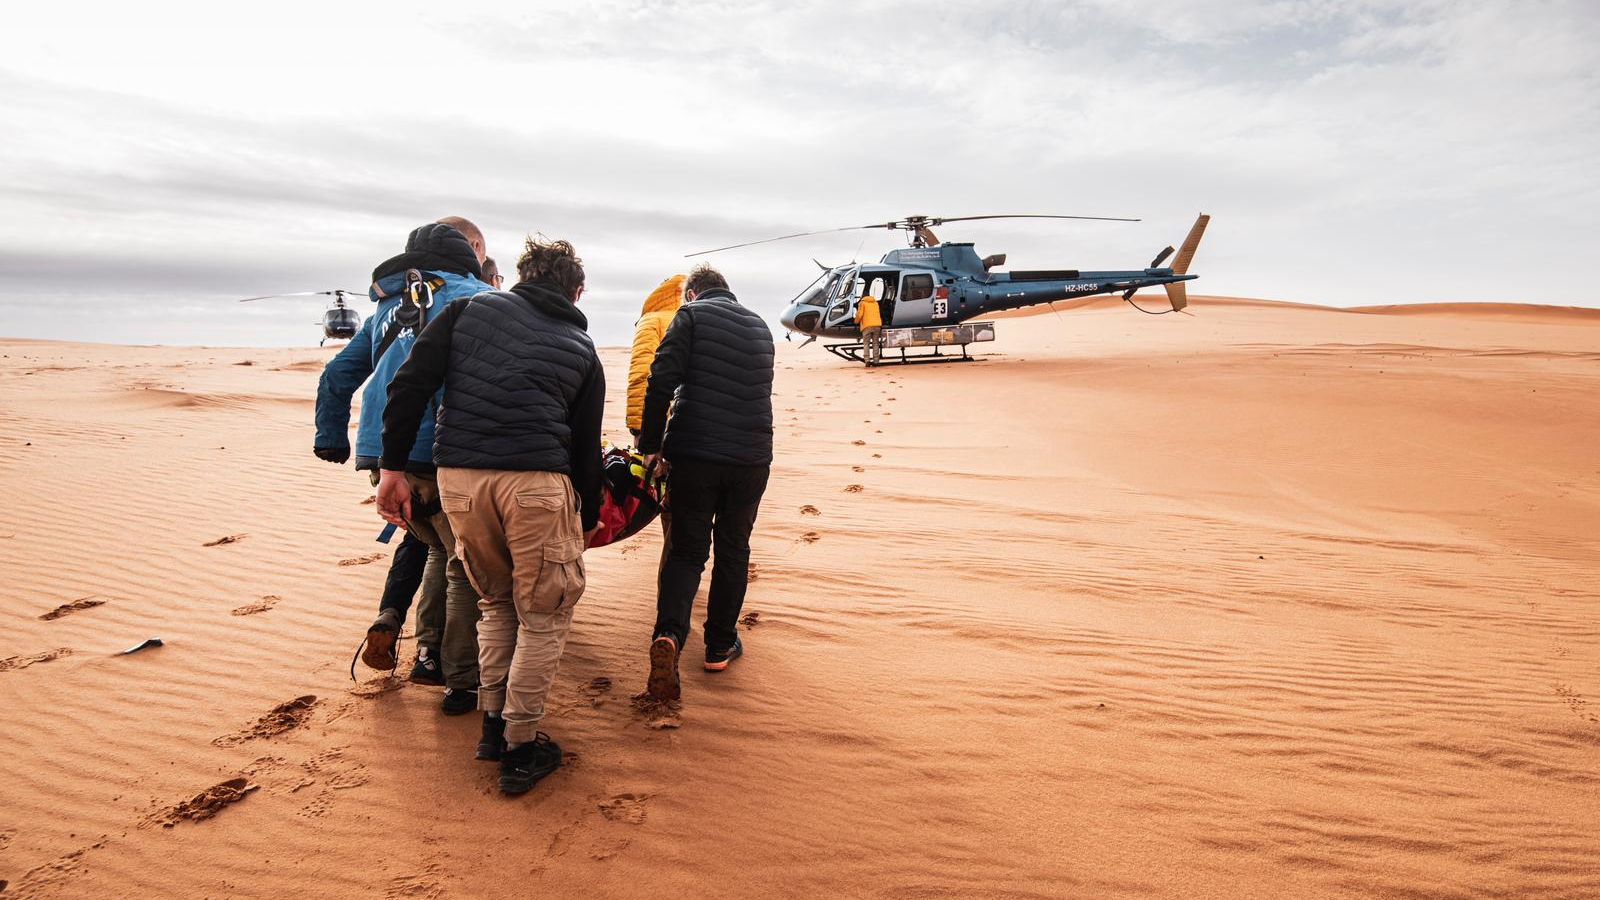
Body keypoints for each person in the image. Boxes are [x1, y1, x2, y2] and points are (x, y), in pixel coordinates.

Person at [377, 236, 605, 796]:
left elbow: (409, 386)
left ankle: (492, 723)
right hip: (536, 484)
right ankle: (521, 749)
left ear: (524, 277)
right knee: (545, 613)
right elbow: (585, 447)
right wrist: (591, 515)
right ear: (576, 290)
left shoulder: (465, 310)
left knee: (495, 602)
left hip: (460, 480)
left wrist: (392, 468)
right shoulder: (580, 343)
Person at [315, 217, 491, 712]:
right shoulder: (474, 298)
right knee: (463, 566)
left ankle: (423, 649)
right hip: (447, 450)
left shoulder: (385, 308)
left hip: (385, 457)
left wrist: (332, 439)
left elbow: (336, 375)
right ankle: (461, 679)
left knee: (433, 550)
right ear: (468, 253)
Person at [638, 263, 774, 701]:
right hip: (751, 459)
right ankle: (719, 645)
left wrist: (652, 445)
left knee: (687, 552)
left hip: (696, 454)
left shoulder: (691, 316)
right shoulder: (760, 326)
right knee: (734, 550)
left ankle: (670, 637)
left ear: (692, 294)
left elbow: (660, 380)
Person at [626, 274, 686, 441]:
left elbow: (642, 372)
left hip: (657, 423)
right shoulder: (692, 320)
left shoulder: (651, 321)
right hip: (692, 426)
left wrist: (640, 429)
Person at [855, 292, 883, 366]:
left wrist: (856, 321)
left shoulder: (862, 303)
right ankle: (876, 361)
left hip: (867, 326)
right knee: (875, 343)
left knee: (866, 343)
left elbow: (860, 314)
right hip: (877, 325)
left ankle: (867, 361)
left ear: (862, 297)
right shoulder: (875, 303)